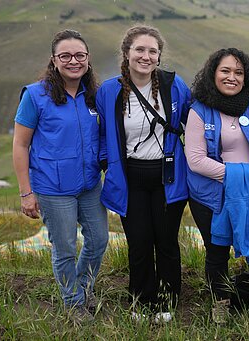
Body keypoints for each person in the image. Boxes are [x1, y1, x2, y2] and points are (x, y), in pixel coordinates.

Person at [12, 29, 109, 322]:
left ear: (88, 59)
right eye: (65, 56)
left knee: (99, 240)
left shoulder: (94, 95)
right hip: (53, 189)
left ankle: (83, 288)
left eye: (80, 55)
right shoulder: (35, 95)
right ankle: (74, 304)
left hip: (90, 185)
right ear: (54, 60)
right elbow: (20, 145)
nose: (73, 61)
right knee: (65, 248)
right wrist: (26, 192)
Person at [96, 25, 191, 322]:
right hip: (129, 177)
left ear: (159, 56)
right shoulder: (109, 90)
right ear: (126, 53)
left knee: (166, 241)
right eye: (139, 49)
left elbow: (195, 117)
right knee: (138, 242)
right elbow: (101, 133)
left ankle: (167, 303)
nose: (146, 56)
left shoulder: (175, 86)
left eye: (152, 51)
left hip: (168, 175)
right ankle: (141, 301)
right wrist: (106, 164)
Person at [185, 48, 249, 323]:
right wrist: (239, 176)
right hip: (211, 196)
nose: (232, 77)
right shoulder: (199, 111)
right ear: (213, 74)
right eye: (225, 71)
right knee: (216, 253)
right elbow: (195, 160)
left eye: (238, 72)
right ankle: (221, 302)